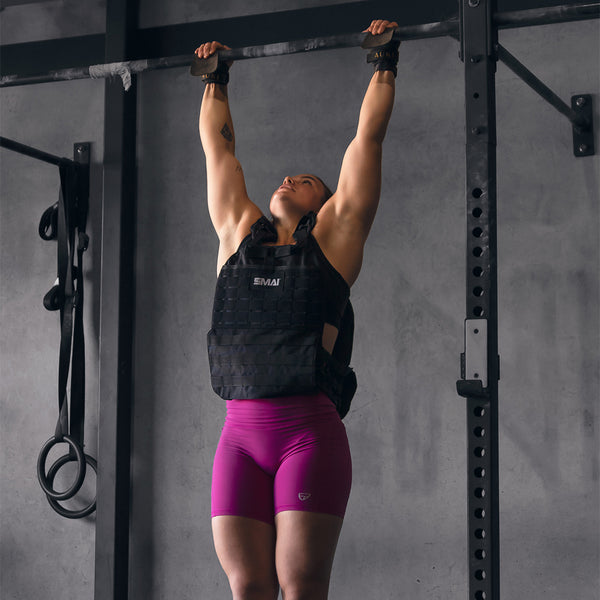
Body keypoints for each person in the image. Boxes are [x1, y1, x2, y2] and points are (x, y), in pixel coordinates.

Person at [197, 18, 399, 600]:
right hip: (237, 436)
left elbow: (367, 141)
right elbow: (218, 148)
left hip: (305, 437)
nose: (289, 180)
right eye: (288, 177)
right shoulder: (237, 233)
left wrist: (384, 63)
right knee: (248, 586)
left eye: (307, 181)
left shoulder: (336, 240)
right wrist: (216, 80)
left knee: (301, 585)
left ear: (326, 204)